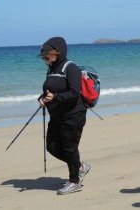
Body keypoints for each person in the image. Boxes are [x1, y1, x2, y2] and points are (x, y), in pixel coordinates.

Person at [38, 37, 91, 195]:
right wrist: (42, 98)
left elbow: (74, 93)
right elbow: (50, 89)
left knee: (69, 148)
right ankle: (80, 167)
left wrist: (55, 98)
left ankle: (75, 182)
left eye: (47, 56)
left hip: (74, 114)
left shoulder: (70, 67)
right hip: (56, 115)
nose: (45, 59)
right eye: (43, 57)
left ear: (57, 53)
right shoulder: (51, 69)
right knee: (52, 147)